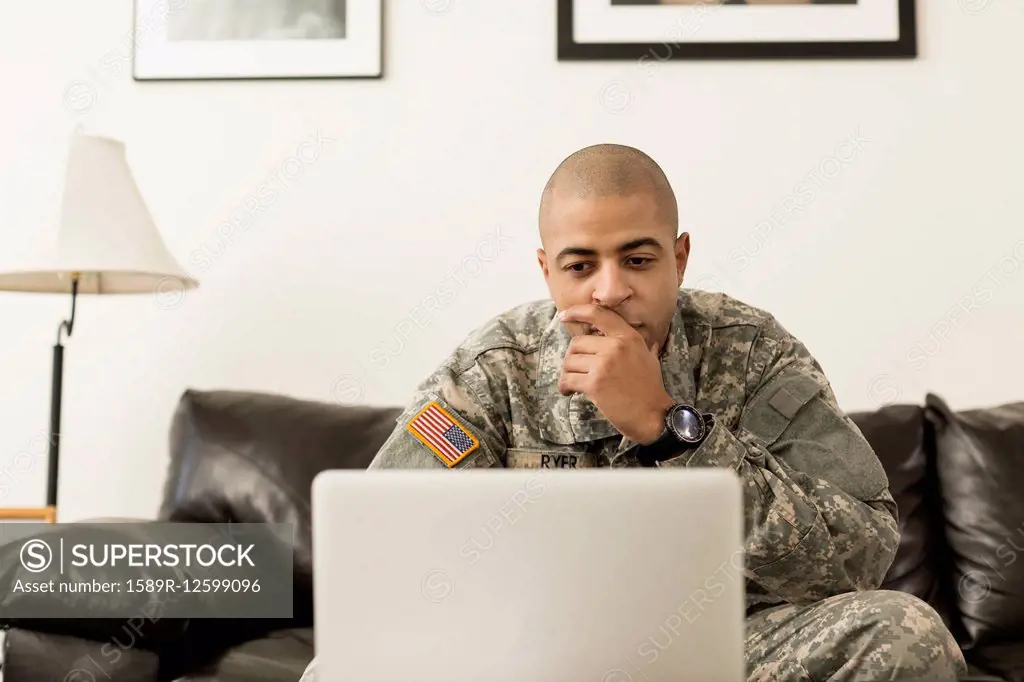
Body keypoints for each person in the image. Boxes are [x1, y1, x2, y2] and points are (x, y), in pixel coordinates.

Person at [302, 144, 967, 682]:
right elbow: (387, 566)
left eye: (638, 259)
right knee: (338, 671)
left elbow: (863, 557)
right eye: (580, 265)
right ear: (547, 272)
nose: (611, 290)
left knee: (905, 634)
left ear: (678, 258)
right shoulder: (492, 370)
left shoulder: (754, 353)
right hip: (528, 663)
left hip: (729, 655)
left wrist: (670, 428)